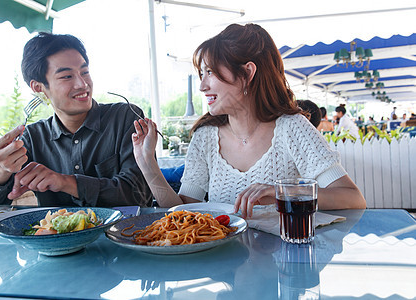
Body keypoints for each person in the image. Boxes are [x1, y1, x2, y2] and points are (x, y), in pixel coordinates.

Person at [132, 23, 366, 218]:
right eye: (201, 75)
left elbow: (353, 198)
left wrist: (281, 193)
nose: (203, 86)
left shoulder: (291, 128)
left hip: (284, 267)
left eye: (211, 72)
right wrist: (148, 165)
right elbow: (183, 213)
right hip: (224, 267)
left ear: (247, 73)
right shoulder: (205, 137)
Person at [0, 32, 152, 208]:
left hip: (124, 238)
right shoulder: (32, 138)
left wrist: (65, 182)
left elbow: (141, 195)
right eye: (67, 76)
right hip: (53, 241)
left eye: (85, 72)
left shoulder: (125, 117)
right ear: (39, 87)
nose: (82, 84)